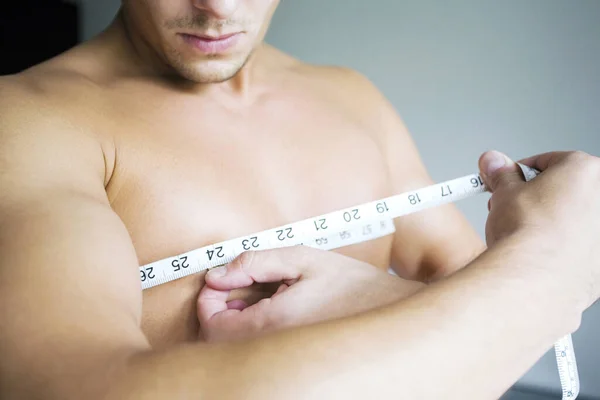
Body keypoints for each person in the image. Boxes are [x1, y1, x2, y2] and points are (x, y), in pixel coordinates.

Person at [0, 0, 485, 351]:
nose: (219, 6)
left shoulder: (352, 96)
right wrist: (545, 254)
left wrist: (375, 298)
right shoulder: (27, 120)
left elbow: (480, 292)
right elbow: (80, 387)